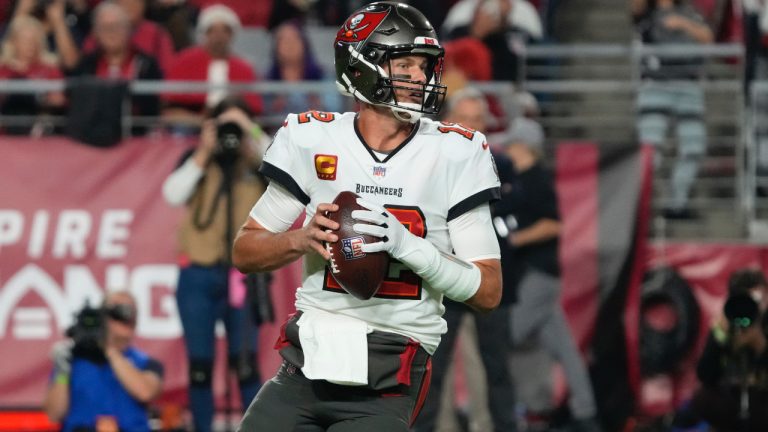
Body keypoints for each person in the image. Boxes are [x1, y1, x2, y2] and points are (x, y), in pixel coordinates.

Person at [232, 2, 502, 431]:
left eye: (424, 66)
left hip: (390, 372)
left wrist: (410, 247)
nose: (420, 77)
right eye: (405, 64)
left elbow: (487, 291)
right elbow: (245, 251)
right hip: (306, 365)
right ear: (361, 68)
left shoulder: (456, 152)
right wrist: (299, 239)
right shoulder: (313, 138)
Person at [412, 86, 516, 432]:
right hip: (443, 279)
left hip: (490, 278)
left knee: (497, 367)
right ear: (448, 121)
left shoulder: (503, 164)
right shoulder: (426, 164)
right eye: (464, 119)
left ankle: (504, 427)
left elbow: (511, 217)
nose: (472, 127)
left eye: (477, 120)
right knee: (432, 365)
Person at [162, 97, 268, 432]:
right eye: (225, 124)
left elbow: (288, 169)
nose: (230, 132)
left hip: (244, 274)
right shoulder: (197, 159)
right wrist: (204, 151)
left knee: (246, 364)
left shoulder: (259, 162)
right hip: (197, 272)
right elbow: (173, 194)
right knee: (200, 366)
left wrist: (249, 131)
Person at [493, 117, 602, 432]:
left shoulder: (537, 179)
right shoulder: (521, 179)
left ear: (524, 147)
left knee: (501, 341)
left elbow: (553, 224)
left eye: (512, 144)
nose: (508, 149)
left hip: (538, 277)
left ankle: (494, 409)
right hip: (538, 276)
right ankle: (586, 414)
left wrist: (513, 241)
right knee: (564, 349)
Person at [632, 0, 714, 219]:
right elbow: (635, 8)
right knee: (649, 149)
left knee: (694, 147)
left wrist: (683, 24)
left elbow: (707, 37)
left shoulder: (690, 12)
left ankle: (677, 203)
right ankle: (643, 204)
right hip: (655, 86)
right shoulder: (645, 13)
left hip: (688, 86)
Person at [43, 291, 164, 432]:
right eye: (118, 312)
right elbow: (54, 414)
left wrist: (109, 348)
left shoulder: (145, 363)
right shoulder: (72, 361)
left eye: (132, 313)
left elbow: (145, 392)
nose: (127, 317)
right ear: (103, 317)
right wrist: (62, 372)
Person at [678, 268, 768, 431]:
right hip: (732, 398)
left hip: (762, 398)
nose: (754, 306)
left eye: (758, 299)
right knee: (702, 399)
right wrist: (720, 337)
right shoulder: (727, 324)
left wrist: (760, 345)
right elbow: (705, 376)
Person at [162, 4, 262, 133]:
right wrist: (201, 120)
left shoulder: (244, 68)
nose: (218, 36)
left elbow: (254, 113)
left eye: (224, 31)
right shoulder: (184, 61)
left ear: (232, 35)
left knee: (254, 132)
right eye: (212, 31)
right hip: (191, 124)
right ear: (204, 33)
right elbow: (169, 110)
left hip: (233, 124)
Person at [0, 15, 65, 135]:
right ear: (13, 42)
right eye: (25, 40)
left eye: (34, 40)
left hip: (38, 125)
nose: (30, 45)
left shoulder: (50, 68)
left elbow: (59, 100)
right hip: (5, 126)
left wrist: (40, 95)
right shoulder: (3, 68)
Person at [264, 20, 342, 121]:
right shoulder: (267, 81)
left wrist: (318, 105)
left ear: (304, 44)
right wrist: (275, 107)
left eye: (294, 39)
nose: (290, 45)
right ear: (276, 47)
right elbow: (262, 115)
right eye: (284, 40)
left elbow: (335, 110)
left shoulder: (324, 77)